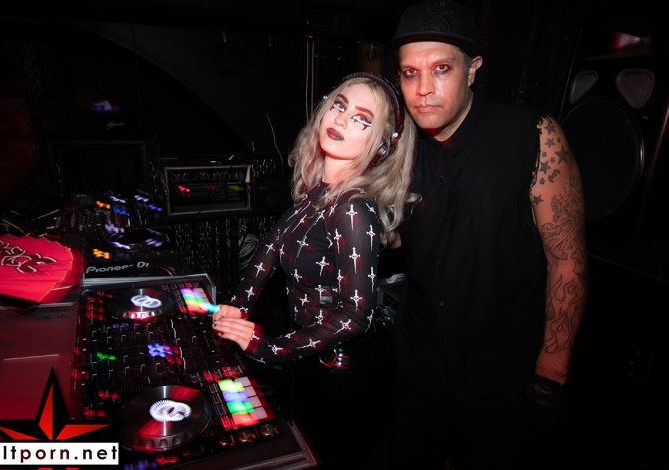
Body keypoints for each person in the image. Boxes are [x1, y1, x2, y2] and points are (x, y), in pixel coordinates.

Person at [385, 1, 588, 469]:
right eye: (410, 73)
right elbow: (396, 241)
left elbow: (568, 258)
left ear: (472, 69)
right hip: (419, 371)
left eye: (441, 69)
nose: (423, 89)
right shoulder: (399, 146)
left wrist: (551, 373)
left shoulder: (533, 136)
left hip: (502, 379)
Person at [211, 71, 416, 365]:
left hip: (335, 367)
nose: (341, 120)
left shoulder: (352, 210)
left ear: (381, 146)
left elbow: (356, 316)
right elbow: (273, 244)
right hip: (306, 351)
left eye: (361, 119)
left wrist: (268, 348)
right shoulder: (322, 190)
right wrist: (239, 304)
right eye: (340, 105)